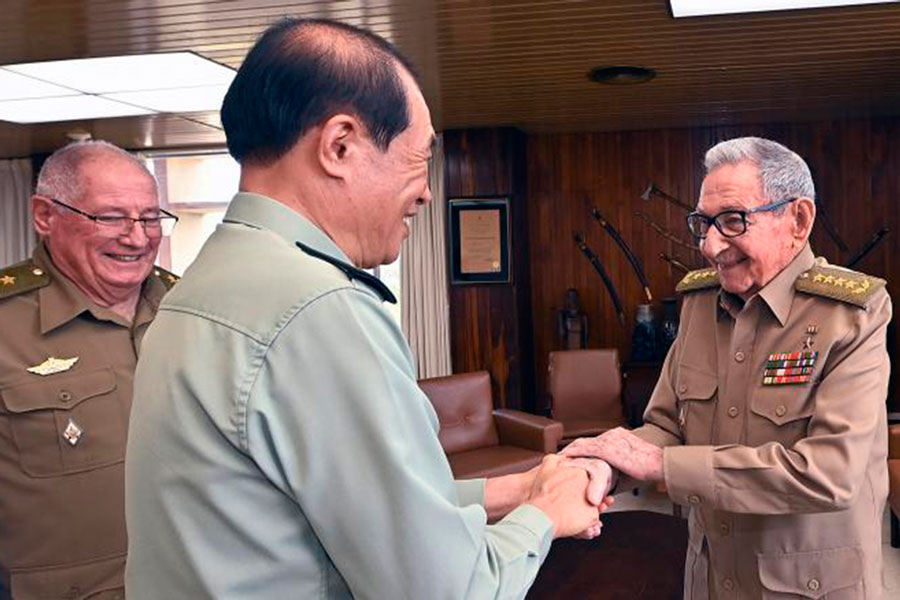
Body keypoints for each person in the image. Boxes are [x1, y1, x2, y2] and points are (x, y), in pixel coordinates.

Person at [125, 17, 613, 600]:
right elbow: (448, 590)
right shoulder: (321, 308)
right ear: (340, 146)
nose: (428, 191)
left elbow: (338, 504)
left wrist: (523, 486)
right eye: (419, 157)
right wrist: (547, 516)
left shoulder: (198, 289)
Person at [563, 136, 891, 598]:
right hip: (711, 578)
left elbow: (830, 473)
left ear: (797, 220)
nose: (710, 246)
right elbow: (663, 426)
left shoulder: (852, 314)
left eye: (733, 221)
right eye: (703, 224)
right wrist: (607, 463)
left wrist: (661, 464)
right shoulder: (698, 304)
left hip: (807, 586)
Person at [0, 140, 178, 599]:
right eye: (111, 217)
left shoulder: (197, 311)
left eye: (150, 217)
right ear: (45, 216)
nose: (137, 237)